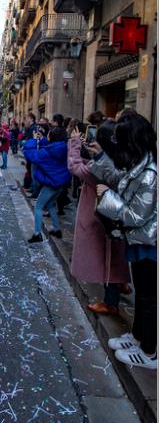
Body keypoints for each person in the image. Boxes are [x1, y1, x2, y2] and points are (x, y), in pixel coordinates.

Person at [87, 113, 157, 370]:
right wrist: (99, 159)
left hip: (150, 243)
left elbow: (135, 215)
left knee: (149, 297)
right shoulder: (140, 164)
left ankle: (149, 352)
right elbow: (122, 181)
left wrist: (107, 197)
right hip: (140, 242)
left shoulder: (150, 174)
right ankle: (139, 337)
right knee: (143, 294)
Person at [68, 120, 131, 315]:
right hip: (119, 214)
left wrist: (75, 144)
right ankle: (121, 283)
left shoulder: (101, 166)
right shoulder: (124, 159)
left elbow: (76, 167)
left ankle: (110, 301)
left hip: (101, 215)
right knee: (116, 252)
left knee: (107, 257)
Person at [24, 126, 71, 243]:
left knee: (39, 206)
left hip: (51, 183)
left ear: (52, 137)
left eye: (48, 134)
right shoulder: (64, 147)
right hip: (60, 183)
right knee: (50, 205)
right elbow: (50, 146)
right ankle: (57, 229)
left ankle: (37, 234)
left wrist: (34, 140)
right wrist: (43, 139)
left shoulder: (48, 152)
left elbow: (31, 155)